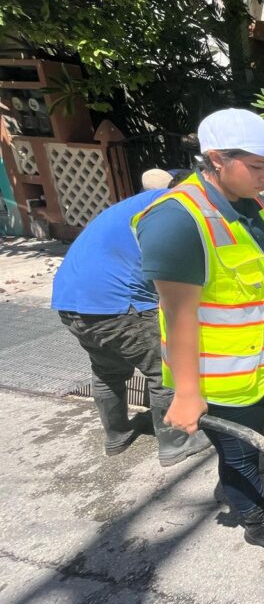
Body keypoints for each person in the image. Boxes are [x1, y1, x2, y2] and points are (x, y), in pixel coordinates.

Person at [133, 109, 264, 558]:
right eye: (257, 166)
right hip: (225, 373)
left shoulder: (258, 204)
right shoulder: (176, 219)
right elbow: (178, 312)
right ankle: (256, 520)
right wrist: (187, 392)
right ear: (216, 159)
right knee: (240, 455)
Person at [52, 168, 211, 466]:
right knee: (168, 369)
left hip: (71, 300)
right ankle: (176, 441)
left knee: (107, 369)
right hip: (119, 305)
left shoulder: (136, 204)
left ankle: (116, 435)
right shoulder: (174, 208)